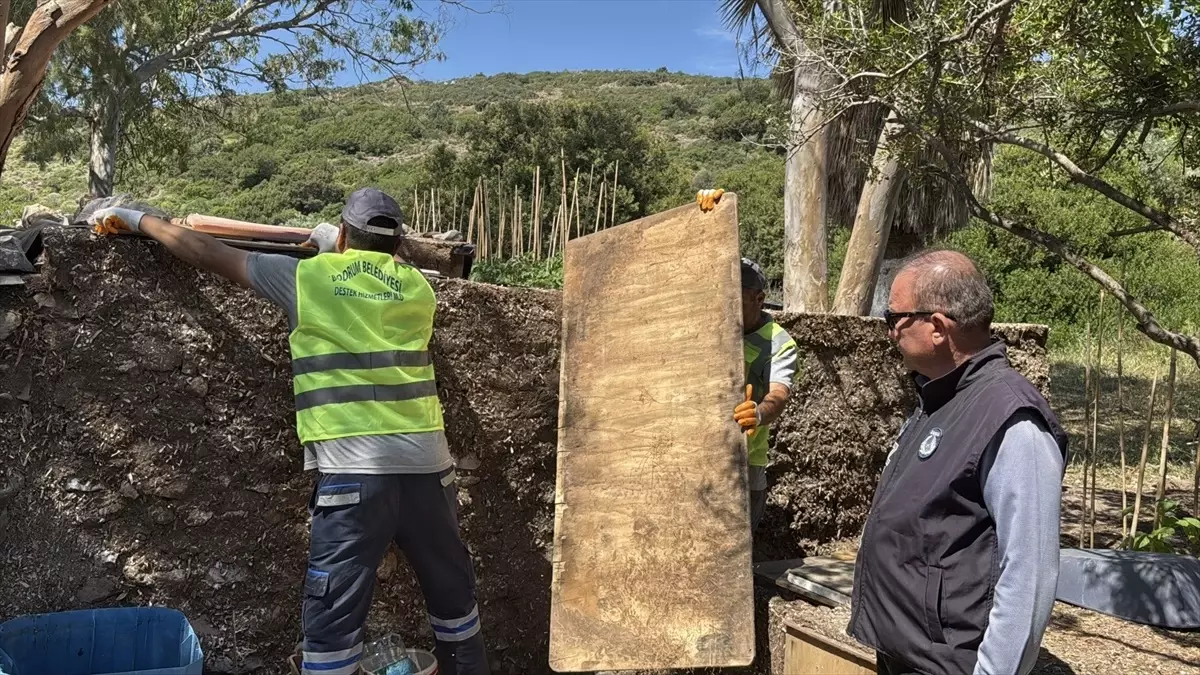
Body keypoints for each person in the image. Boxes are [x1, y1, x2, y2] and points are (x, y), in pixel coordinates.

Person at [88, 188, 489, 675]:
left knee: (333, 631)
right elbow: (382, 269)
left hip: (352, 476)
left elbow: (206, 250)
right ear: (397, 242)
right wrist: (343, 250)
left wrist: (135, 218)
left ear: (342, 234)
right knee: (456, 609)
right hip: (431, 470)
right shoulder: (419, 288)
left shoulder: (306, 278)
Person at [847, 249, 1067, 675]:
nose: (889, 332)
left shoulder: (1012, 419)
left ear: (936, 327)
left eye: (894, 319)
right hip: (908, 653)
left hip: (948, 664)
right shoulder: (940, 397)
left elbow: (1029, 575)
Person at [731, 257, 798, 532]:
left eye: (738, 298)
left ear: (759, 298)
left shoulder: (778, 342)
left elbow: (778, 396)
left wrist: (757, 413)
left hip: (746, 460)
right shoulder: (713, 328)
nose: (729, 305)